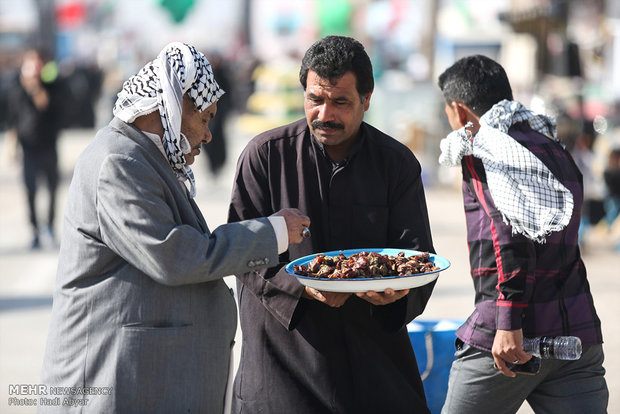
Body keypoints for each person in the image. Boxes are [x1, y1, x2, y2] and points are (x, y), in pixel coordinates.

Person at [39, 42, 310, 413]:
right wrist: (272, 232)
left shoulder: (143, 159)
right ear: (172, 105)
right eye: (205, 117)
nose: (208, 135)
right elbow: (175, 256)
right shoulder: (117, 163)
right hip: (112, 382)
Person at [228, 35, 436, 413]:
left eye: (340, 102)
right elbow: (241, 255)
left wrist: (397, 293)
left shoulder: (396, 164)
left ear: (367, 101)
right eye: (315, 99)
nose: (325, 114)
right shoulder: (265, 156)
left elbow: (419, 258)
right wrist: (303, 288)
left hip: (373, 367)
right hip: (283, 365)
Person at [437, 55, 608, 414]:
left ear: (460, 111)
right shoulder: (553, 147)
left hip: (510, 339)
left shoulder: (485, 147)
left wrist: (508, 322)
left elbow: (508, 235)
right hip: (576, 332)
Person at [7, 48, 63, 249]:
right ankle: (34, 231)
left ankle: (49, 225)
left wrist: (36, 88)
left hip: (48, 146)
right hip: (28, 149)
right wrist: (11, 147)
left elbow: (45, 105)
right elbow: (13, 121)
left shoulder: (52, 86)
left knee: (51, 189)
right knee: (30, 191)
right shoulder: (16, 90)